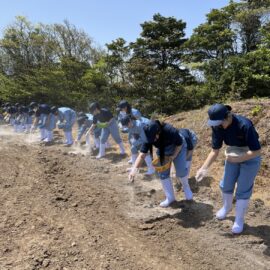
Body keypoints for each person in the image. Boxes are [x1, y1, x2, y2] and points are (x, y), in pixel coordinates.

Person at [196, 104, 261, 234]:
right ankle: (226, 207)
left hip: (250, 154)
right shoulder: (217, 127)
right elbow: (215, 150)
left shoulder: (244, 125)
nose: (219, 126)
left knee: (243, 189)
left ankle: (239, 219)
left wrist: (238, 159)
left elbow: (257, 151)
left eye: (220, 123)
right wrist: (204, 168)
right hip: (232, 153)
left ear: (228, 116)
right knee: (226, 184)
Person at [129, 120, 194, 207]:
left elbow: (179, 143)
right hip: (163, 150)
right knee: (162, 173)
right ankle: (170, 198)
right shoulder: (148, 136)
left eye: (153, 138)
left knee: (181, 171)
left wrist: (173, 156)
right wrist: (134, 169)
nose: (152, 141)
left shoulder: (170, 130)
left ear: (158, 132)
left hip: (178, 147)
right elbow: (142, 154)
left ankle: (186, 188)